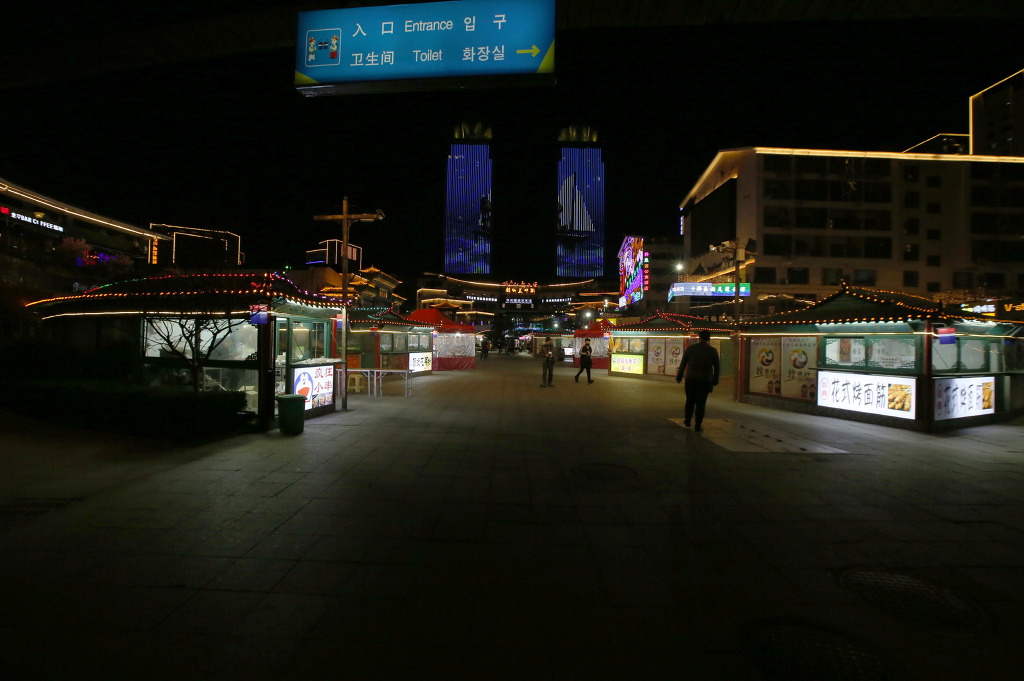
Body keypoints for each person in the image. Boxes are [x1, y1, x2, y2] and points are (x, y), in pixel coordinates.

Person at [675, 329, 720, 433]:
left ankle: (687, 421)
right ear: (709, 338)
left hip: (691, 379)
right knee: (701, 403)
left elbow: (683, 364)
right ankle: (698, 425)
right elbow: (717, 367)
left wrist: (679, 377)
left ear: (699, 337)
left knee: (690, 401)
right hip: (705, 380)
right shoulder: (712, 351)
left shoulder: (690, 349)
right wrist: (715, 380)